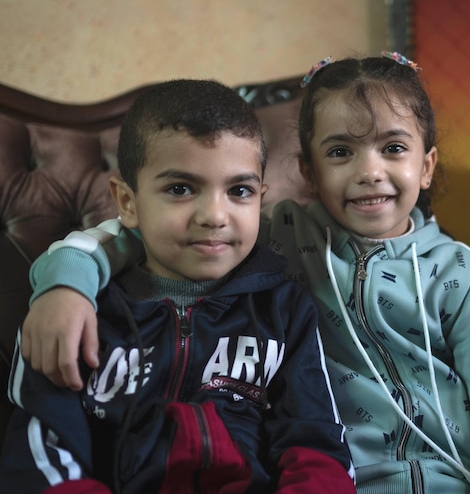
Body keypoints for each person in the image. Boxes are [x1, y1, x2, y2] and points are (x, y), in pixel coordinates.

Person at [19, 55, 470, 494]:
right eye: (341, 152)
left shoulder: (459, 275)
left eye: (393, 148)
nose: (370, 173)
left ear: (427, 165)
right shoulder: (274, 238)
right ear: (309, 171)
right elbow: (130, 235)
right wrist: (66, 282)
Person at [0, 79, 356, 493]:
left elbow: (317, 446)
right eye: (181, 189)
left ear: (262, 197)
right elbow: (38, 458)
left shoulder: (284, 310)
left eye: (239, 191)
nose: (214, 215)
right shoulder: (76, 312)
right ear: (128, 203)